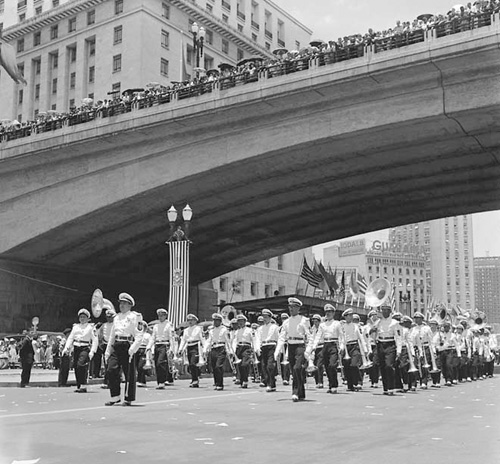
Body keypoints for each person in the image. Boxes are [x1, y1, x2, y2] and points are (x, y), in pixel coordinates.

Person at [104, 293, 143, 406]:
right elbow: (112, 335)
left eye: (124, 303)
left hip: (128, 344)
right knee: (111, 369)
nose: (122, 305)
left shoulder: (135, 317)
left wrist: (133, 348)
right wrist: (108, 350)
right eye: (121, 303)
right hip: (117, 344)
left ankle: (128, 397)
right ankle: (115, 396)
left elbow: (139, 334)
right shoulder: (116, 317)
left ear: (130, 305)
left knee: (129, 373)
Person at [275, 297, 310, 402]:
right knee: (294, 370)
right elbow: (282, 337)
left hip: (300, 345)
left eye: (294, 307)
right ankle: (301, 392)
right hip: (290, 346)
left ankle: (295, 392)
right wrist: (277, 350)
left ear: (298, 308)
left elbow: (309, 335)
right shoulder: (286, 322)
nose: (291, 309)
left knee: (297, 368)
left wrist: (309, 350)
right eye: (290, 307)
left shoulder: (304, 320)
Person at [62, 308, 98, 393]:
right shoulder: (75, 327)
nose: (82, 319)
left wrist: (92, 351)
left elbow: (95, 340)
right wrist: (66, 348)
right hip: (76, 347)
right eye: (81, 317)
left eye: (84, 317)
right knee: (76, 367)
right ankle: (79, 385)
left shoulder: (91, 327)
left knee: (81, 365)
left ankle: (83, 384)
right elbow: (71, 338)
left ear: (88, 318)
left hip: (85, 348)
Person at [373, 304, 402, 395]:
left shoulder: (394, 323)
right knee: (382, 366)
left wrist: (399, 350)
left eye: (386, 310)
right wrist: (373, 330)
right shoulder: (378, 322)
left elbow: (398, 337)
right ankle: (385, 387)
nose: (384, 312)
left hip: (390, 344)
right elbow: (372, 334)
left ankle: (391, 387)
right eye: (383, 310)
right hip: (380, 343)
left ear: (390, 312)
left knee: (389, 366)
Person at [148, 308, 175, 389]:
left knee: (161, 363)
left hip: (165, 345)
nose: (160, 317)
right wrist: (149, 346)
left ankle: (162, 381)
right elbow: (153, 337)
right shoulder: (156, 326)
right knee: (157, 364)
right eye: (159, 315)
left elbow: (171, 337)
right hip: (157, 345)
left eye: (162, 315)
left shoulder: (169, 325)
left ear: (165, 316)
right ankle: (159, 381)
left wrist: (172, 349)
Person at [204, 313, 232, 391]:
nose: (215, 322)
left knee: (218, 366)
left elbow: (228, 340)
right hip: (213, 348)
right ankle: (216, 383)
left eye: (217, 321)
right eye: (214, 320)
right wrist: (205, 349)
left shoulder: (224, 329)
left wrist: (230, 351)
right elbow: (209, 340)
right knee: (214, 367)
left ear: (220, 321)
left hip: (221, 348)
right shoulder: (211, 330)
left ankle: (220, 384)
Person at [254, 309, 280, 392]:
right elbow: (257, 339)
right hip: (264, 347)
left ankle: (270, 383)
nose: (264, 319)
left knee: (270, 366)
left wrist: (278, 350)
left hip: (272, 346)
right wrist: (257, 348)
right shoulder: (260, 329)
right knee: (264, 366)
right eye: (263, 317)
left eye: (266, 317)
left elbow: (279, 338)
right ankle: (271, 383)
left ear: (270, 317)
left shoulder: (275, 327)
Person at [341, 308, 366, 392]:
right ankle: (350, 384)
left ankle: (358, 381)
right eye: (349, 315)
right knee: (347, 367)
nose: (351, 317)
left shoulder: (356, 326)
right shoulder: (342, 327)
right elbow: (341, 339)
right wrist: (341, 348)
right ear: (345, 317)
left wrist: (365, 349)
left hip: (354, 346)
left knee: (354, 364)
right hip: (346, 346)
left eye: (351, 315)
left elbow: (361, 337)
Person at [178, 314, 206, 388]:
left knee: (193, 363)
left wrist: (205, 349)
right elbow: (183, 340)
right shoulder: (186, 330)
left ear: (195, 321)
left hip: (196, 346)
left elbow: (202, 338)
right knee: (190, 364)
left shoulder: (198, 329)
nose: (190, 322)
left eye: (191, 320)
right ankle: (194, 378)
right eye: (188, 320)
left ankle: (195, 379)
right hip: (188, 346)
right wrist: (180, 349)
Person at [232, 314, 254, 389]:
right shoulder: (237, 331)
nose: (240, 323)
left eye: (241, 321)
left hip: (246, 347)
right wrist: (233, 350)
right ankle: (242, 381)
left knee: (245, 364)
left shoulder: (250, 330)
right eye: (239, 321)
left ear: (245, 321)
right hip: (239, 347)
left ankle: (245, 380)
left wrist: (255, 348)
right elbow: (235, 341)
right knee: (240, 365)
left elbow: (253, 339)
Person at [97, 305, 116, 388]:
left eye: (110, 317)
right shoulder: (103, 325)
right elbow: (100, 336)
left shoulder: (116, 324)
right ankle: (106, 381)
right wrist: (101, 345)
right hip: (105, 345)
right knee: (106, 364)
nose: (109, 318)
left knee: (111, 365)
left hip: (113, 346)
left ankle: (110, 381)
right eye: (107, 317)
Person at [308, 314, 324, 388]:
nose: (315, 322)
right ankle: (317, 381)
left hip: (322, 346)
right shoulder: (312, 329)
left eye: (316, 321)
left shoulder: (323, 328)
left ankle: (320, 381)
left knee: (319, 365)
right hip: (314, 348)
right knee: (314, 365)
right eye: (313, 320)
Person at [136, 323, 152, 388]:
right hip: (137, 350)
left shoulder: (148, 335)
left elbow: (150, 343)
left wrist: (151, 352)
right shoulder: (136, 335)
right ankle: (139, 380)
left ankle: (142, 381)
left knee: (141, 366)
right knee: (137, 366)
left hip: (144, 350)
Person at [278, 312, 290, 386]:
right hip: (282, 344)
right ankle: (283, 377)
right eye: (282, 318)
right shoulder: (279, 328)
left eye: (285, 318)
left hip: (288, 344)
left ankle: (287, 378)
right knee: (282, 361)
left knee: (287, 361)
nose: (284, 320)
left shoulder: (290, 326)